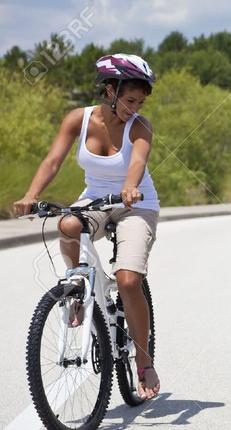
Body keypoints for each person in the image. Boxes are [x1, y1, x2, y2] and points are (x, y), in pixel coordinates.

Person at [14, 53, 162, 399]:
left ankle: (144, 360)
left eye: (140, 101)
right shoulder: (77, 120)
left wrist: (129, 186)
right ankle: (78, 287)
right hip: (94, 199)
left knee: (128, 279)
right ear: (109, 90)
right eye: (129, 100)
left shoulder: (140, 126)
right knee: (67, 224)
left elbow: (137, 161)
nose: (134, 107)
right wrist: (31, 195)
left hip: (135, 204)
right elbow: (53, 161)